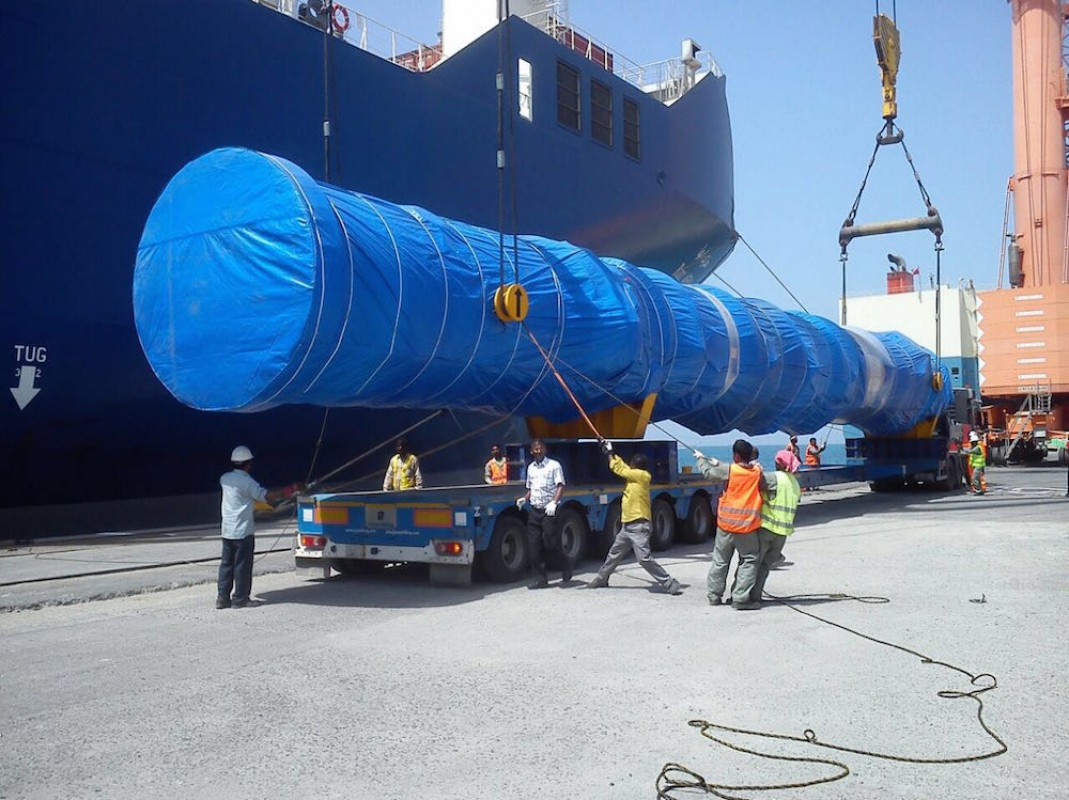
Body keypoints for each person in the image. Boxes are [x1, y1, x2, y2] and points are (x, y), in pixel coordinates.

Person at [584, 443, 683, 595]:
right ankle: (602, 578)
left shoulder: (643, 476)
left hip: (639, 526)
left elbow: (619, 469)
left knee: (643, 558)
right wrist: (611, 454)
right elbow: (622, 466)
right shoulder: (635, 477)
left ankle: (669, 582)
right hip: (627, 526)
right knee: (614, 554)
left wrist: (610, 452)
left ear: (636, 466)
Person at [217, 445, 298, 609]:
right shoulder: (247, 482)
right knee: (242, 565)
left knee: (226, 564)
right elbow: (267, 496)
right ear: (248, 464)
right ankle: (240, 599)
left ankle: (222, 598)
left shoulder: (224, 479)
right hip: (243, 531)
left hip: (227, 530)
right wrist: (291, 490)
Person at [694, 439, 768, 610]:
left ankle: (714, 596)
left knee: (720, 561)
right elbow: (761, 481)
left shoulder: (729, 470)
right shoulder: (756, 472)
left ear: (735, 455)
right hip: (747, 527)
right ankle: (740, 598)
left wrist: (700, 459)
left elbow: (709, 473)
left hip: (725, 526)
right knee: (749, 560)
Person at [750, 450, 802, 605]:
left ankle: (744, 596)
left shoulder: (774, 478)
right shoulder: (795, 483)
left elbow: (756, 482)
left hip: (767, 528)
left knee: (752, 564)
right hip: (782, 534)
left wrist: (755, 468)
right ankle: (756, 596)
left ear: (778, 463)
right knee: (765, 566)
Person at [516, 439, 569, 588]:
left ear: (544, 449)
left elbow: (560, 486)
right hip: (534, 509)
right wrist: (524, 499)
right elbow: (531, 489)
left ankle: (565, 565)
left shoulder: (554, 466)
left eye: (540, 449)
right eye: (535, 449)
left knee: (550, 542)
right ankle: (540, 579)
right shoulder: (531, 468)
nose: (537, 451)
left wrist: (554, 502)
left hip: (549, 510)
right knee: (533, 546)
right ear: (531, 451)